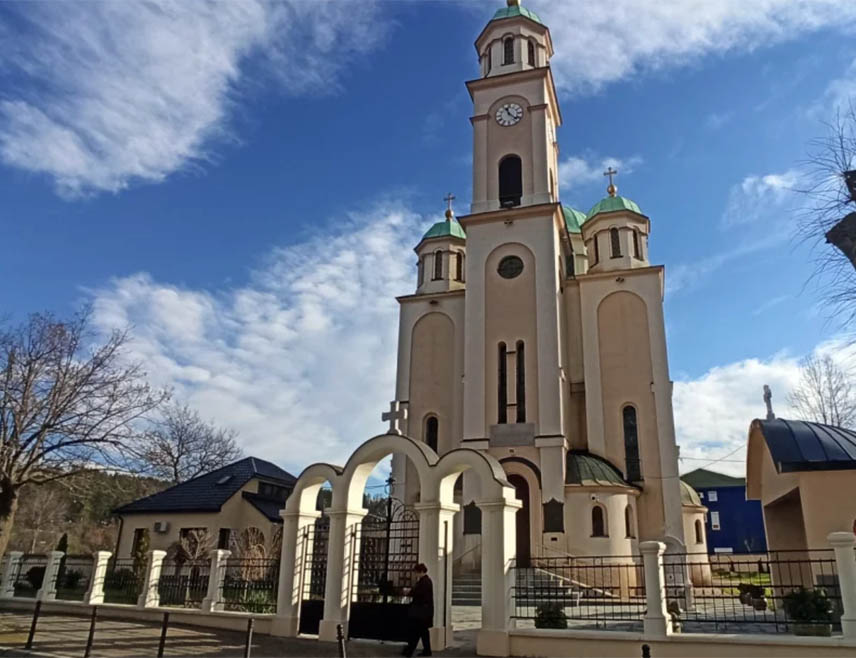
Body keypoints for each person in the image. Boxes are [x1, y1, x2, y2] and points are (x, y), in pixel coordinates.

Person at [402, 563, 433, 657]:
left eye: (416, 572)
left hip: (421, 612)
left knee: (416, 632)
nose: (415, 574)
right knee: (423, 632)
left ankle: (409, 651)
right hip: (424, 612)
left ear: (421, 571)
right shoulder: (425, 581)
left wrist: (409, 592)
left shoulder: (424, 582)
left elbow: (419, 594)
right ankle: (427, 651)